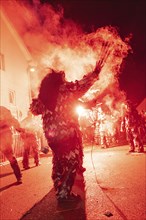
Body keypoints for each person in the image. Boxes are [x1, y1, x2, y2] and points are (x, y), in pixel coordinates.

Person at [30, 59, 104, 204]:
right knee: (72, 162)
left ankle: (59, 190)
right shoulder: (66, 89)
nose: (66, 80)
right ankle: (64, 194)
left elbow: (34, 110)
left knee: (58, 161)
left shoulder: (43, 98)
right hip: (67, 135)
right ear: (59, 81)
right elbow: (81, 86)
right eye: (63, 79)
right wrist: (94, 74)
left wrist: (38, 99)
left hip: (52, 137)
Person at [0, 106, 22, 184]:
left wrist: (19, 128)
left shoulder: (3, 110)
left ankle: (19, 176)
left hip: (5, 138)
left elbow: (12, 120)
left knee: (11, 158)